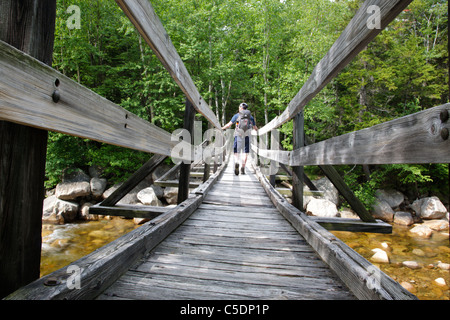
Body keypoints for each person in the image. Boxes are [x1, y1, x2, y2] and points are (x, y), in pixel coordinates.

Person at [222, 103, 258, 175]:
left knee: (236, 151)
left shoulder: (237, 115)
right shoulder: (250, 117)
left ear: (241, 108)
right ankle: (243, 168)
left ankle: (237, 162)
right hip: (247, 136)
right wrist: (257, 130)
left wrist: (222, 128)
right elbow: (255, 127)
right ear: (246, 108)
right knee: (245, 152)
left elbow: (229, 124)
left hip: (238, 135)